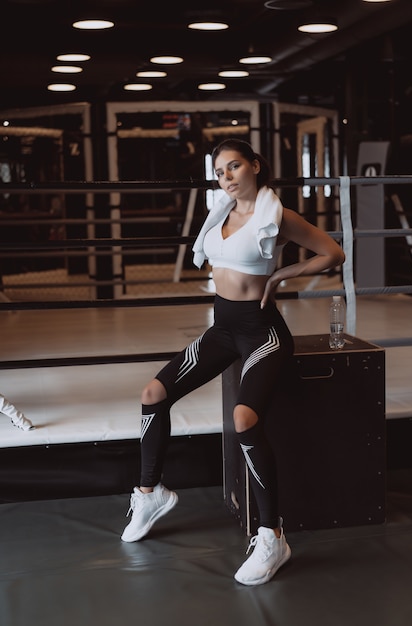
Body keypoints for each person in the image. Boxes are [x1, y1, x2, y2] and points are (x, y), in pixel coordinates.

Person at [121, 138, 345, 586]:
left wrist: (281, 273)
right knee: (153, 395)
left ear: (255, 166)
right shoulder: (220, 214)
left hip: (262, 332)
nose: (226, 177)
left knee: (245, 420)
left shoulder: (276, 217)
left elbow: (333, 253)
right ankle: (150, 493)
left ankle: (272, 535)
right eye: (220, 171)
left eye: (234, 166)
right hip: (223, 330)